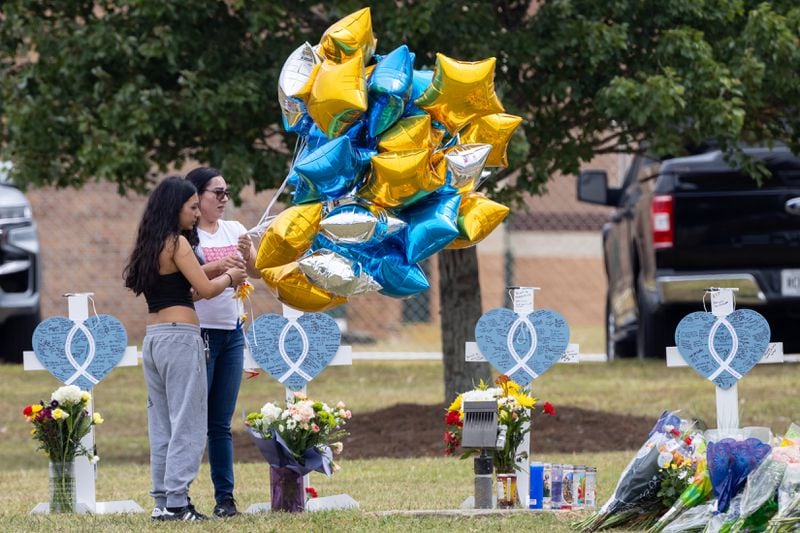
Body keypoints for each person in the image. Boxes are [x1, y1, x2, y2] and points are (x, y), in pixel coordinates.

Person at [123, 176, 247, 522]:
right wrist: (231, 279)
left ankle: (162, 501)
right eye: (192, 207)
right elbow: (206, 290)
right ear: (175, 207)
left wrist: (219, 266)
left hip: (155, 339)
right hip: (182, 339)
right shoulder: (177, 242)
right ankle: (179, 502)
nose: (196, 214)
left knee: (162, 424)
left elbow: (186, 279)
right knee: (189, 423)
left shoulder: (152, 243)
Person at [186, 167, 260, 518]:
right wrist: (223, 269)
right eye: (217, 192)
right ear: (197, 197)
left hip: (231, 333)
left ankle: (225, 499)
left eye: (226, 192)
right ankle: (177, 496)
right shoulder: (188, 237)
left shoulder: (235, 230)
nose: (224, 199)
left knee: (220, 422)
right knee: (191, 420)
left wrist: (249, 252)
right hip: (198, 333)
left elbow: (256, 272)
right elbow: (190, 286)